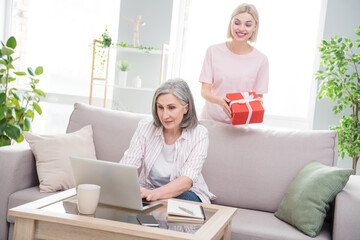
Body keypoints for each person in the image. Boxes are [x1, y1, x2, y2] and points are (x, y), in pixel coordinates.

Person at [121, 79, 215, 203]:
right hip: (150, 191)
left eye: (171, 108)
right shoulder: (145, 127)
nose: (165, 115)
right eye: (160, 107)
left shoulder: (199, 134)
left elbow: (187, 181)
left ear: (186, 108)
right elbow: (127, 166)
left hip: (186, 194)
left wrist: (154, 194)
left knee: (178, 200)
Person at [199, 3, 269, 124]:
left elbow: (258, 97)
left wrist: (257, 102)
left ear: (255, 27)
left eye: (248, 24)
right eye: (237, 23)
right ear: (231, 23)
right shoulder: (213, 51)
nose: (241, 28)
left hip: (239, 125)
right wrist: (220, 101)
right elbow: (205, 91)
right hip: (210, 121)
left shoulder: (261, 60)